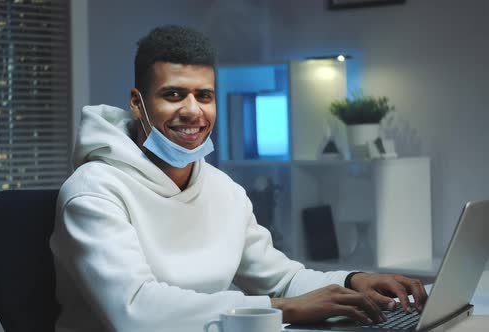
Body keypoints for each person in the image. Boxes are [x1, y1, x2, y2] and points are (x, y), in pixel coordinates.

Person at [49, 25, 427, 332]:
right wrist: (283, 310)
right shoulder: (93, 192)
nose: (193, 111)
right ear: (137, 102)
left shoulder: (223, 189)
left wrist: (353, 281)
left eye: (205, 95)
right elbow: (134, 312)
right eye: (174, 94)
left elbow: (279, 278)